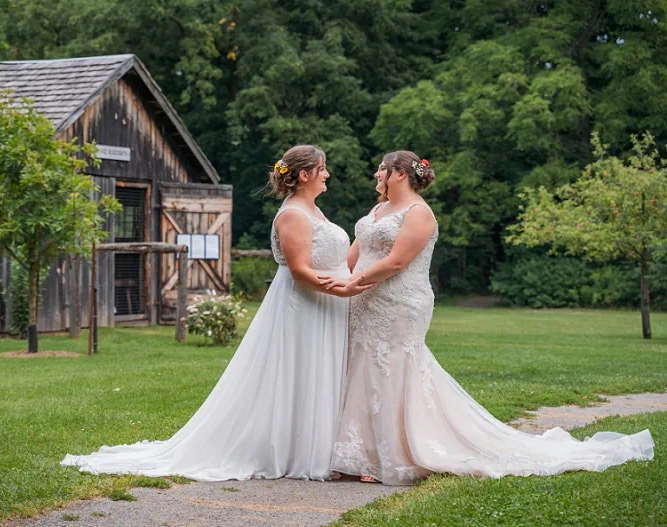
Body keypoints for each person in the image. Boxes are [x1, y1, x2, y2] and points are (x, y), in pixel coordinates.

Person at [323, 150, 654, 485]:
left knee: (393, 369)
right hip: (364, 301)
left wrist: (353, 283)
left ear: (399, 174)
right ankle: (360, 453)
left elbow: (396, 262)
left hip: (399, 302)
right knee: (364, 367)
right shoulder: (378, 209)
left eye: (382, 169)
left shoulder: (420, 214)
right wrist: (334, 278)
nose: (377, 174)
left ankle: (393, 455)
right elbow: (358, 250)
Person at [62, 144, 371, 481]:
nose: (327, 174)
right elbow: (299, 270)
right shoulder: (293, 215)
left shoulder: (312, 211)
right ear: (304, 174)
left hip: (324, 306)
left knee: (314, 373)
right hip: (306, 305)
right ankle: (294, 453)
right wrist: (343, 289)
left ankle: (315, 446)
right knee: (298, 373)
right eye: (322, 168)